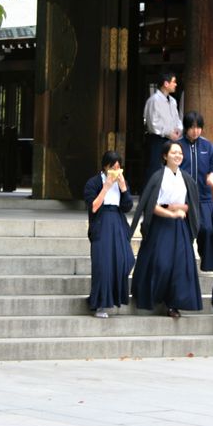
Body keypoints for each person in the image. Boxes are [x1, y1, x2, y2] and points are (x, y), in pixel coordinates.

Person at [130, 141, 202, 318]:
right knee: (161, 263)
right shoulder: (157, 177)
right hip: (160, 226)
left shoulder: (186, 178)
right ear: (164, 156)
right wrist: (171, 211)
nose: (178, 156)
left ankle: (173, 304)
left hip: (180, 228)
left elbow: (190, 205)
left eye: (180, 153)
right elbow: (151, 205)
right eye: (173, 153)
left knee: (179, 266)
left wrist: (178, 208)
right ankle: (152, 296)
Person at [83, 151, 135, 318]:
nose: (116, 169)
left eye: (118, 166)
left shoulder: (122, 181)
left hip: (118, 222)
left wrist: (123, 188)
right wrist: (106, 187)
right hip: (101, 221)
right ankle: (100, 304)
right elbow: (93, 207)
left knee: (125, 259)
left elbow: (127, 207)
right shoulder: (93, 183)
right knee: (103, 265)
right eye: (113, 167)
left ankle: (114, 297)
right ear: (105, 167)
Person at [177, 111, 213, 271]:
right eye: (192, 127)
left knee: (207, 229)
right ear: (186, 128)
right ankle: (184, 263)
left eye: (198, 127)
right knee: (185, 231)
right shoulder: (178, 146)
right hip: (184, 197)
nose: (196, 131)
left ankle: (208, 263)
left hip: (203, 196)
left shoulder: (207, 146)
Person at [142, 71, 183, 180]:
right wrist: (168, 133)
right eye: (173, 82)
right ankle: (151, 195)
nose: (175, 84)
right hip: (157, 139)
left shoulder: (173, 101)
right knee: (155, 168)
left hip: (171, 139)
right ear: (166, 83)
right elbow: (153, 123)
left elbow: (177, 119)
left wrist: (178, 130)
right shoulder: (154, 100)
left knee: (171, 168)